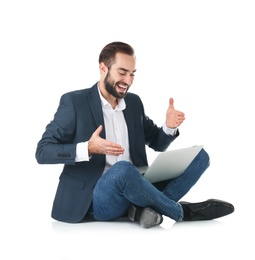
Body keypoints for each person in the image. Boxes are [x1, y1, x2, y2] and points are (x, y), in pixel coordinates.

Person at [35, 41, 234, 228]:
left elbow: (157, 142)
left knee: (199, 157)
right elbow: (43, 151)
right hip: (97, 198)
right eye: (122, 73)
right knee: (123, 170)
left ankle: (141, 210)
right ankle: (183, 212)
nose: (128, 81)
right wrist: (87, 148)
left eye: (132, 74)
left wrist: (168, 127)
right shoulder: (74, 102)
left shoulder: (134, 103)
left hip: (138, 185)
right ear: (103, 68)